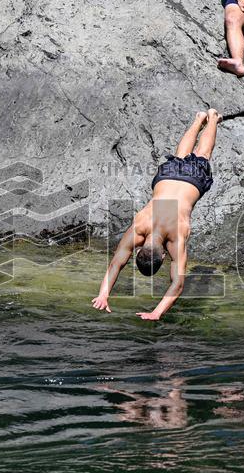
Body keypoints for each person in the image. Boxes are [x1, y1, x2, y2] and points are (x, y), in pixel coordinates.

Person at [92, 109, 220, 321]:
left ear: (163, 255)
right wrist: (103, 294)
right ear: (140, 248)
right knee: (180, 157)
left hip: (192, 182)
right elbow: (116, 263)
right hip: (166, 177)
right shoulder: (140, 227)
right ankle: (199, 119)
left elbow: (177, 285)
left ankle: (213, 117)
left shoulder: (175, 239)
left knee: (202, 156)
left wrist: (156, 312)